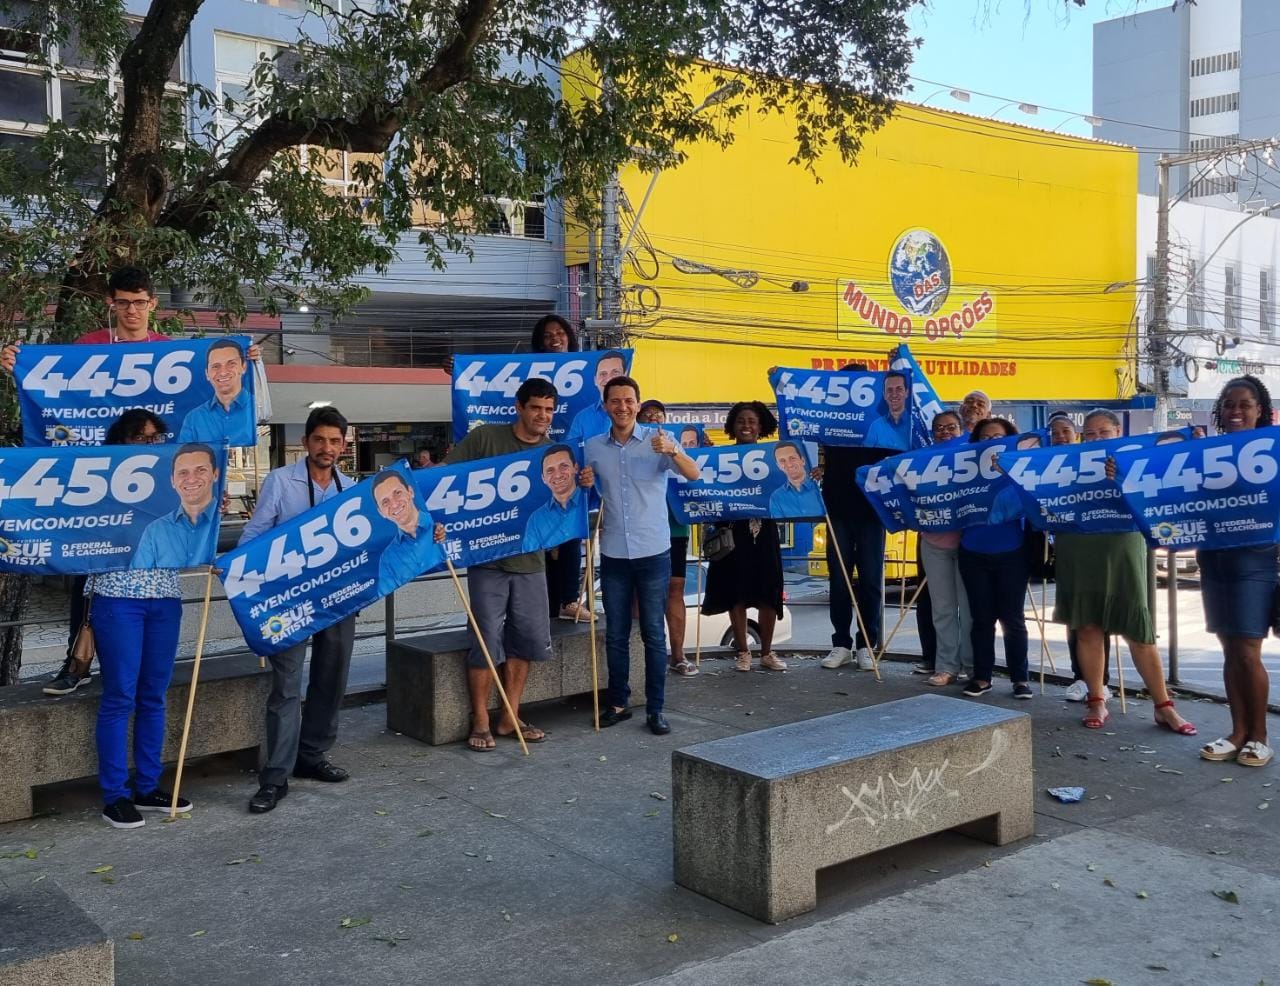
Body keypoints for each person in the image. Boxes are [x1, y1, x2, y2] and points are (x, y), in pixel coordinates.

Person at [3, 267, 258, 697]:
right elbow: (47, 388)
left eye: (140, 302)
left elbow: (214, 393)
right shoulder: (88, 348)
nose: (132, 310)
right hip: (97, 478)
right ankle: (77, 660)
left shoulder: (171, 352)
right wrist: (18, 366)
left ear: (152, 304)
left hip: (155, 485)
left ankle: (138, 663)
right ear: (111, 304)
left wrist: (242, 365)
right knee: (89, 567)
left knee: (146, 571)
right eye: (123, 302)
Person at [443, 378, 570, 750]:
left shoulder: (554, 454)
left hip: (531, 562)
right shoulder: (486, 440)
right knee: (485, 641)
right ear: (519, 407)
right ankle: (480, 719)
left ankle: (509, 716)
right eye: (536, 408)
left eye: (549, 410)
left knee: (526, 641)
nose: (543, 416)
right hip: (487, 559)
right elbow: (447, 477)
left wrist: (580, 483)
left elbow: (562, 508)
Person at [241, 406, 356, 813]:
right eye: (320, 439)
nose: (327, 448)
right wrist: (236, 565)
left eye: (335, 441)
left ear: (344, 445)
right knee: (286, 687)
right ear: (306, 442)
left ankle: (313, 756)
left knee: (331, 680)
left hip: (339, 600)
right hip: (290, 602)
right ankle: (275, 776)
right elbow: (256, 533)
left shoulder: (350, 486)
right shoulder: (280, 481)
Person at [1057, 409, 1194, 734]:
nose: (1096, 439)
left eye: (1103, 432)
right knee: (1088, 628)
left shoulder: (1136, 461)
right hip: (1078, 547)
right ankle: (1096, 699)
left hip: (1123, 546)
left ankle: (1164, 707)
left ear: (1119, 432)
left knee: (1138, 630)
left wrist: (1124, 475)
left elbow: (1163, 489)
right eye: (1089, 434)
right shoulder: (1065, 464)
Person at [90, 409, 192, 828]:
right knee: (119, 696)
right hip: (117, 598)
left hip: (165, 597)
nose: (151, 444)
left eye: (156, 437)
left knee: (154, 694)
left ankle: (147, 786)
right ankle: (114, 795)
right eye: (140, 438)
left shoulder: (177, 485)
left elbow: (191, 533)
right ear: (122, 443)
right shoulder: (100, 486)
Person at [582, 375, 700, 734]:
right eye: (615, 401)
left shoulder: (658, 440)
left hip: (654, 551)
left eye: (628, 400)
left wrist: (674, 451)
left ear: (638, 403)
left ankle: (656, 708)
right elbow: (583, 490)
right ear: (605, 406)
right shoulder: (592, 447)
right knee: (616, 633)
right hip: (615, 552)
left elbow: (694, 474)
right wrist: (584, 481)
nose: (622, 407)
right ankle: (618, 703)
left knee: (652, 631)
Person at [1197, 377, 1273, 766]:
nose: (1236, 411)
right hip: (1214, 559)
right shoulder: (1204, 452)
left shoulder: (1273, 452)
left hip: (1256, 560)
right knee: (1228, 649)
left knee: (1247, 650)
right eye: (1229, 404)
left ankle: (1260, 736)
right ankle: (1237, 731)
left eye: (1245, 404)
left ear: (1261, 409)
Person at [701, 402, 789, 673]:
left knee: (768, 592)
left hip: (764, 531)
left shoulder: (774, 457)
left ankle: (766, 652)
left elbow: (789, 488)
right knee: (735, 591)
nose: (746, 426)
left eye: (752, 421)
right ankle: (743, 652)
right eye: (741, 421)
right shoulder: (721, 457)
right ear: (732, 426)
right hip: (732, 533)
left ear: (761, 426)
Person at [818, 362, 891, 673]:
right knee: (840, 581)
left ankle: (866, 644)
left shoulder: (883, 420)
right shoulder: (828, 419)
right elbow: (812, 449)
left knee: (872, 580)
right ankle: (841, 644)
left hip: (872, 511)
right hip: (837, 508)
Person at [958, 417, 1033, 700]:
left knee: (1013, 619)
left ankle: (1020, 678)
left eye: (998, 437)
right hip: (972, 552)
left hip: (1012, 552)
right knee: (981, 620)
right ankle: (982, 676)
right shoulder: (962, 473)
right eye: (985, 438)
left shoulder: (1020, 472)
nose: (991, 442)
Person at [1046, 412, 1112, 703]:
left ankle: (1101, 681)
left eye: (1065, 432)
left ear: (1075, 435)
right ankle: (1080, 677)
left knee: (1102, 617)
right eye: (1055, 433)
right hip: (1069, 547)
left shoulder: (1105, 460)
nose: (1060, 437)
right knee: (1077, 617)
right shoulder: (1047, 465)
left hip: (1105, 547)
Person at [638, 400, 699, 677]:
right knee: (638, 592)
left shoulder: (674, 442)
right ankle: (639, 659)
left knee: (675, 588)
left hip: (674, 527)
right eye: (647, 416)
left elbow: (695, 471)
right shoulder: (632, 444)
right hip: (640, 528)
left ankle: (678, 655)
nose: (652, 420)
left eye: (658, 416)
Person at [917, 410, 973, 688]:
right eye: (939, 428)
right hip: (934, 543)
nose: (944, 432)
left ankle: (973, 667)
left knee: (970, 609)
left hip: (969, 545)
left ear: (961, 430)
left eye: (950, 427)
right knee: (943, 609)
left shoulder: (973, 458)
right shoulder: (922, 460)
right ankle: (947, 666)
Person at [131, 443, 220, 569]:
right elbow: (138, 580)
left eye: (201, 470)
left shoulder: (228, 524)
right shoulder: (156, 530)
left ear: (215, 474)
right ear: (173, 481)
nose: (191, 479)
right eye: (183, 473)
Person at [372, 470, 438, 591]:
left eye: (397, 493)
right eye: (385, 502)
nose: (394, 504)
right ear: (381, 512)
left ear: (410, 492)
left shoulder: (440, 526)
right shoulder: (388, 558)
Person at [178, 339, 252, 444]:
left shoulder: (257, 407)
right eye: (216, 366)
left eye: (231, 364)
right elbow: (185, 455)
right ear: (207, 374)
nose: (223, 372)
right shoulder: (194, 418)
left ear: (243, 367)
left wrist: (257, 361)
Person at [522, 444, 587, 551]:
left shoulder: (589, 499)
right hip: (549, 565)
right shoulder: (536, 519)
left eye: (563, 466)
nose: (557, 475)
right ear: (543, 478)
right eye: (550, 470)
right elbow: (530, 551)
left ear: (575, 468)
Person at [768, 441, 824, 518]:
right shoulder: (776, 497)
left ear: (803, 460)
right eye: (782, 461)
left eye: (792, 458)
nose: (789, 464)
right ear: (778, 466)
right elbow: (780, 527)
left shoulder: (820, 487)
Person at [863, 371, 912, 451]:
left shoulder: (915, 425)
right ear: (884, 395)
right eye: (889, 390)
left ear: (906, 392)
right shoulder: (876, 426)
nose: (894, 394)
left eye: (899, 389)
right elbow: (865, 453)